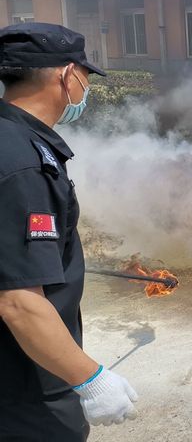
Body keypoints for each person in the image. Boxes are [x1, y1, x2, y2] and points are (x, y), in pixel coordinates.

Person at [0, 23, 138, 441]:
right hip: (25, 388)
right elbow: (18, 300)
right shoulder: (25, 164)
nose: (86, 88)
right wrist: (90, 379)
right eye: (85, 76)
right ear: (66, 75)